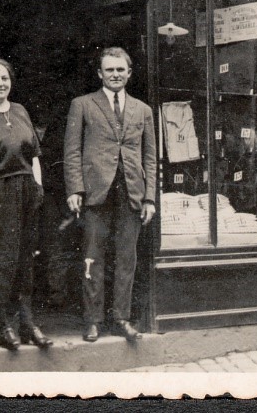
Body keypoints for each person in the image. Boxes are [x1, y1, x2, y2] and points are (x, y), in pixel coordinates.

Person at [64, 47, 157, 342]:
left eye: (120, 70)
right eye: (110, 70)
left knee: (127, 258)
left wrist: (150, 197)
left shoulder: (143, 110)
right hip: (95, 192)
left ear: (129, 73)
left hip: (131, 192)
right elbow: (72, 151)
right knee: (93, 257)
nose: (115, 75)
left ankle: (121, 318)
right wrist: (75, 189)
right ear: (100, 73)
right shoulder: (83, 104)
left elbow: (151, 158)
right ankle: (93, 320)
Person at [0, 58, 53, 351]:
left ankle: (28, 324)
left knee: (25, 257)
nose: (0, 83)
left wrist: (38, 185)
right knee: (0, 259)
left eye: (4, 78)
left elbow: (35, 154)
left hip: (26, 189)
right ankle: (4, 326)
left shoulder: (20, 111)